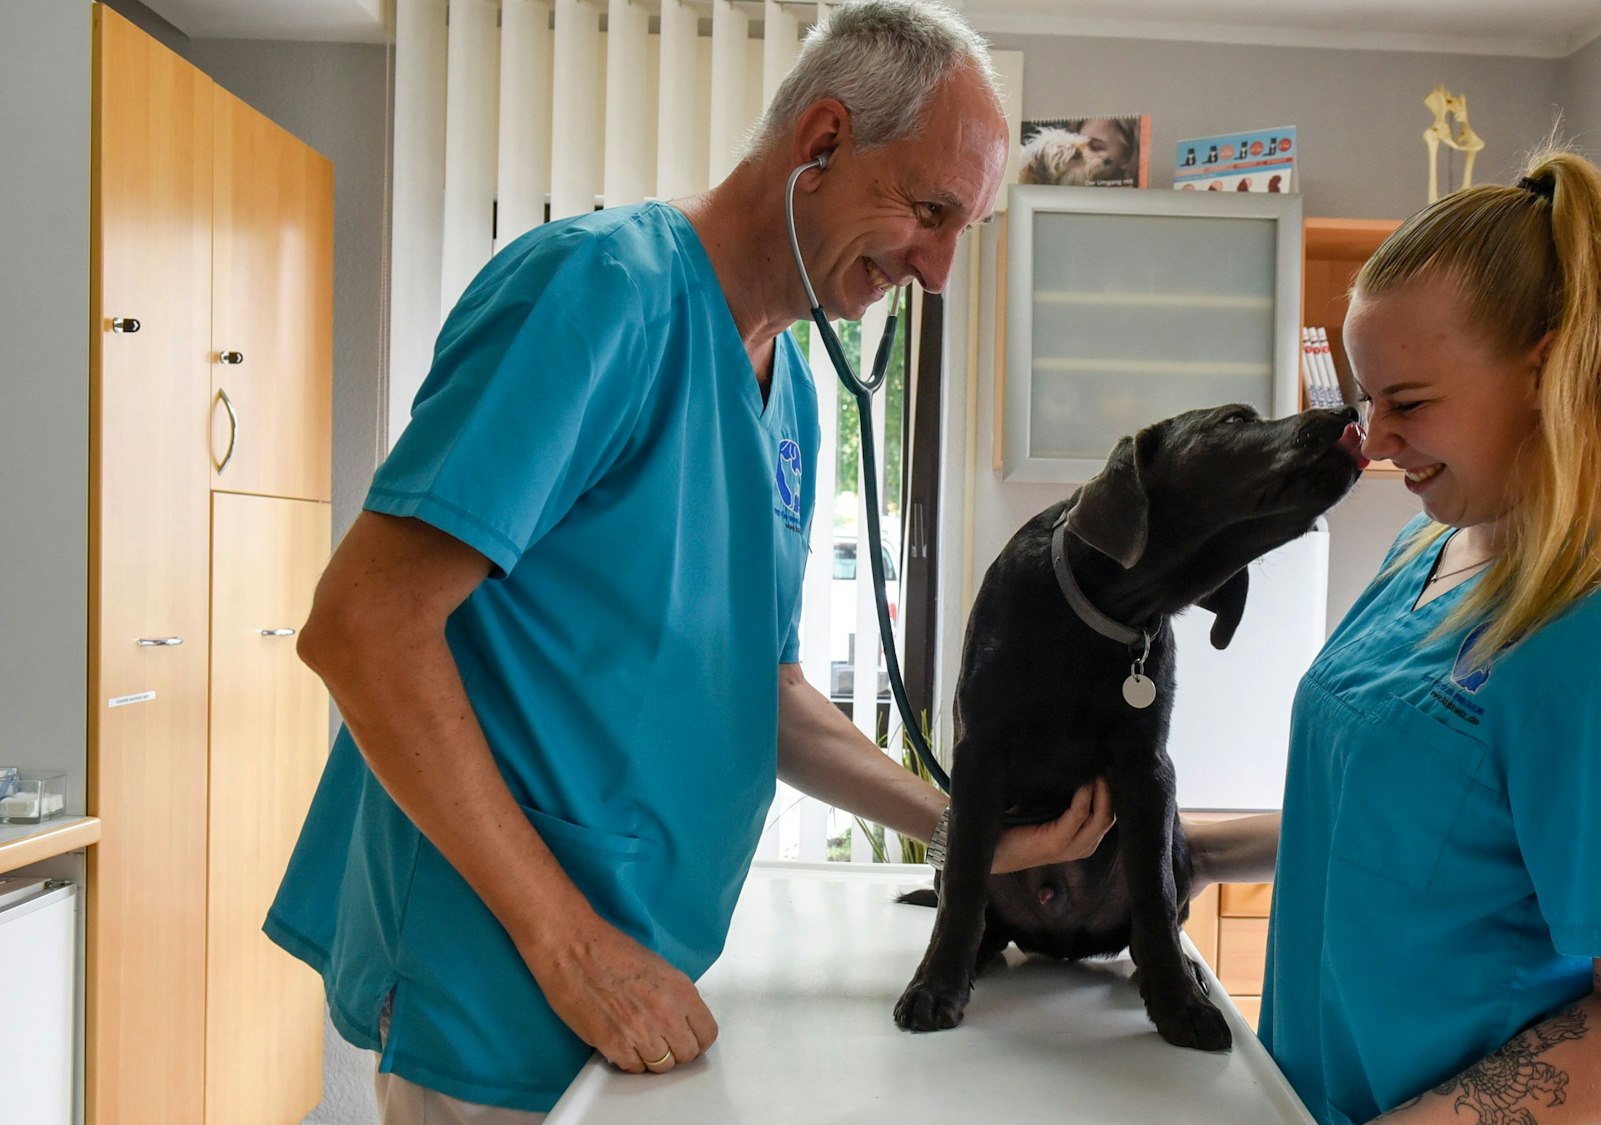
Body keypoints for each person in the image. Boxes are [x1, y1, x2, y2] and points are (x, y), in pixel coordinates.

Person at [263, 3, 1114, 1121]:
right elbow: (363, 627)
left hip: (646, 975)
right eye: (930, 211)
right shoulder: (597, 294)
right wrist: (570, 947)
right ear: (819, 144)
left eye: (968, 231)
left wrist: (971, 837)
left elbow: (758, 694)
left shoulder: (794, 390)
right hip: (507, 970)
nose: (941, 272)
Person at [1186, 150, 1601, 1125]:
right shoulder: (1427, 553)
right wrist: (1193, 849)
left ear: (1544, 369)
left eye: (1407, 403)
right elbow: (1399, 832)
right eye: (1368, 401)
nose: (1371, 440)